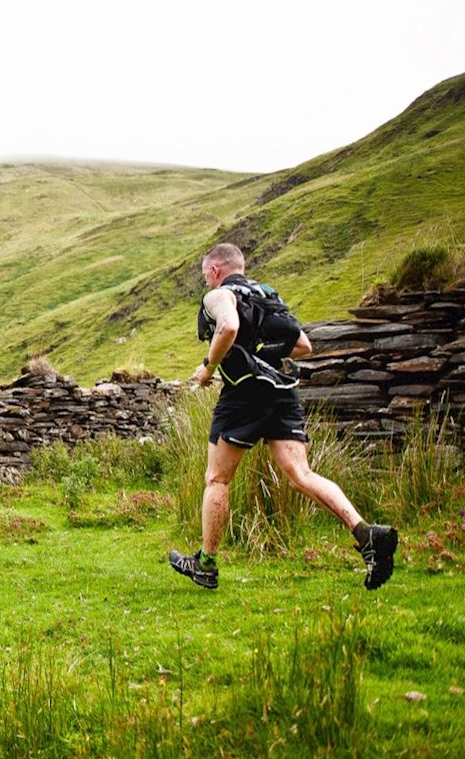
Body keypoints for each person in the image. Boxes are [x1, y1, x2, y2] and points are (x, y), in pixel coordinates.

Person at [169, 242, 398, 591]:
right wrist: (263, 352)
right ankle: (366, 535)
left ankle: (206, 564)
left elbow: (227, 328)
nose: (206, 283)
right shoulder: (266, 294)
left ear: (215, 270)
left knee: (218, 480)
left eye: (206, 276)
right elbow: (303, 345)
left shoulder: (219, 295)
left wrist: (208, 368)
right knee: (301, 474)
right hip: (282, 390)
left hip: (243, 394)